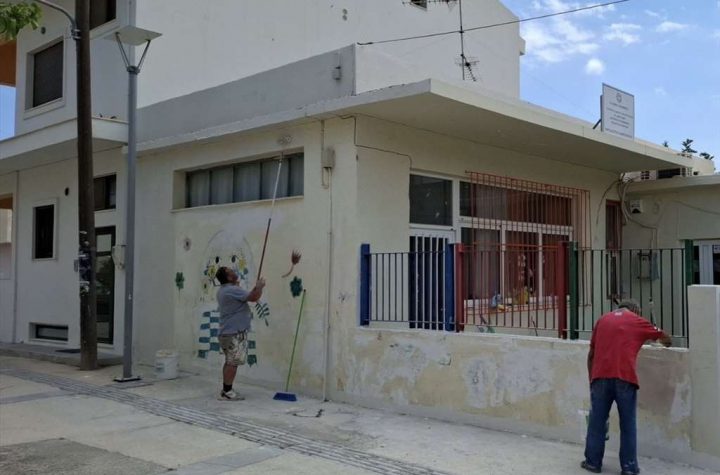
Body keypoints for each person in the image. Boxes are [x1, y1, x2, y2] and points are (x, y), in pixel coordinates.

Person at [582, 299, 672, 475]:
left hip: (600, 377)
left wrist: (592, 379)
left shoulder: (602, 320)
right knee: (628, 425)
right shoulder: (637, 320)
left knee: (596, 423)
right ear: (635, 310)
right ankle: (629, 467)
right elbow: (666, 340)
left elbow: (591, 353)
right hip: (625, 378)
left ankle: (592, 463)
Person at [215, 266, 265, 401]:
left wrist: (254, 288)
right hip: (234, 333)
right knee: (233, 363)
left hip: (227, 332)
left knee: (230, 361)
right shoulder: (232, 290)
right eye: (230, 271)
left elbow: (247, 295)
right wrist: (260, 287)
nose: (234, 271)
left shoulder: (224, 290)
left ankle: (226, 389)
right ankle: (228, 392)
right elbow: (253, 297)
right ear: (228, 277)